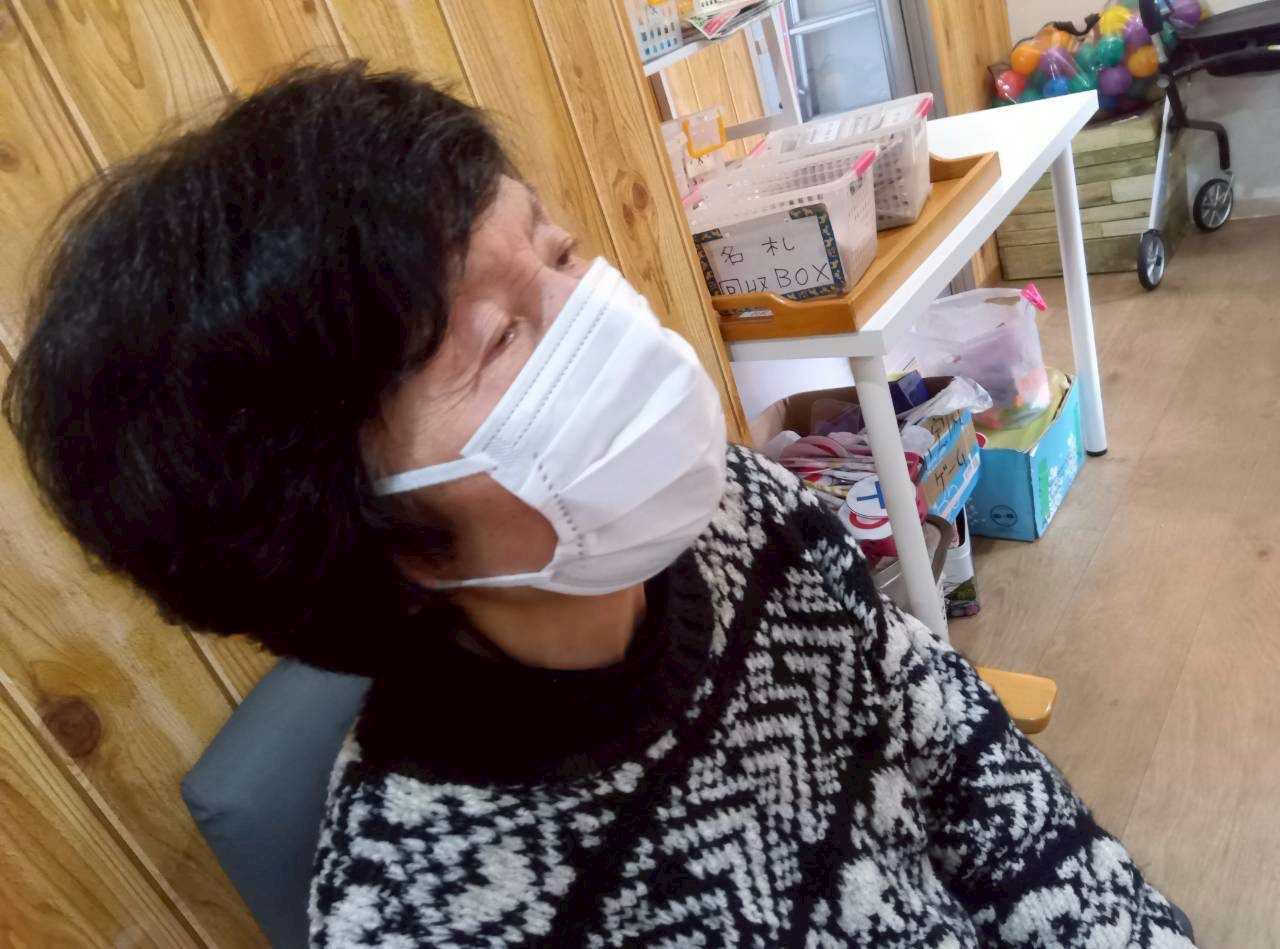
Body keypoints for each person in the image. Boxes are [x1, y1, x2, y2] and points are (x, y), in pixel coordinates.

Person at [5, 64, 1194, 948]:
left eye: (559, 251)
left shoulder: (733, 511)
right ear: (381, 540)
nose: (602, 321)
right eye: (499, 337)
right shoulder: (429, 916)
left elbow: (935, 723)